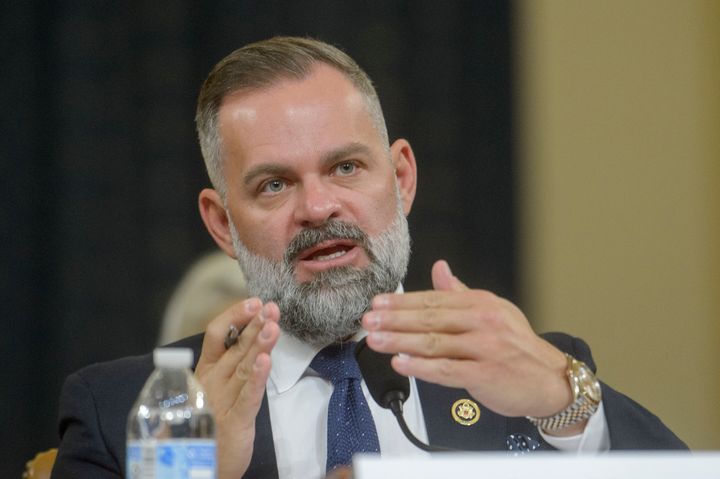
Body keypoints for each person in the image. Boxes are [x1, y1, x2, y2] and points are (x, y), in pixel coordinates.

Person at [51, 36, 685, 479]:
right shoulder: (122, 410)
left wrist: (565, 399)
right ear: (222, 223)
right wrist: (185, 473)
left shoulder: (527, 378)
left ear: (402, 179)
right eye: (274, 184)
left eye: (346, 166)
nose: (319, 206)